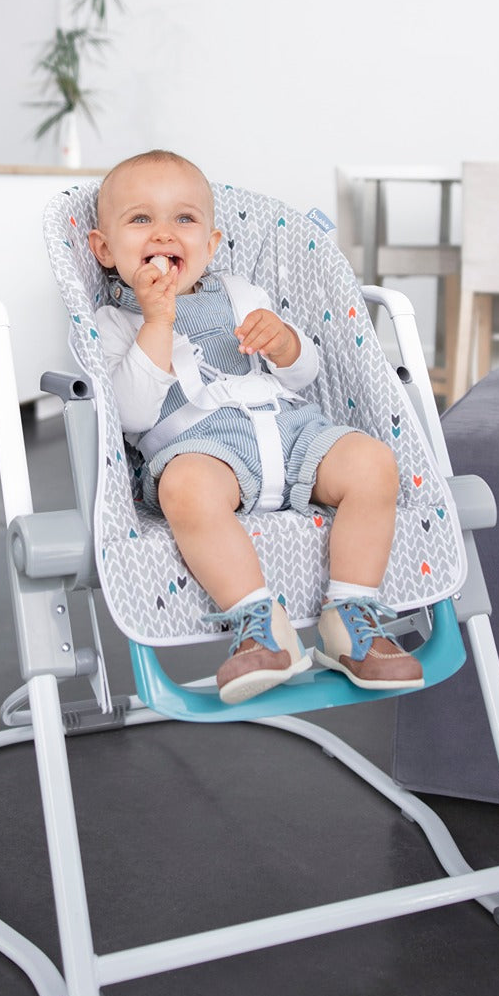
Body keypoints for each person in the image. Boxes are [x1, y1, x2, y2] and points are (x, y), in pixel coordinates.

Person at [87, 150, 423, 704]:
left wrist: (286, 344)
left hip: (291, 431)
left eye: (184, 219)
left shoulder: (241, 294)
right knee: (183, 489)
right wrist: (157, 323)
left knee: (371, 462)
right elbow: (130, 414)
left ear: (211, 244)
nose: (164, 233)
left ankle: (351, 614)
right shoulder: (114, 322)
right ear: (104, 249)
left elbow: (303, 375)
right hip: (203, 451)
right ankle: (259, 625)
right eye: (141, 219)